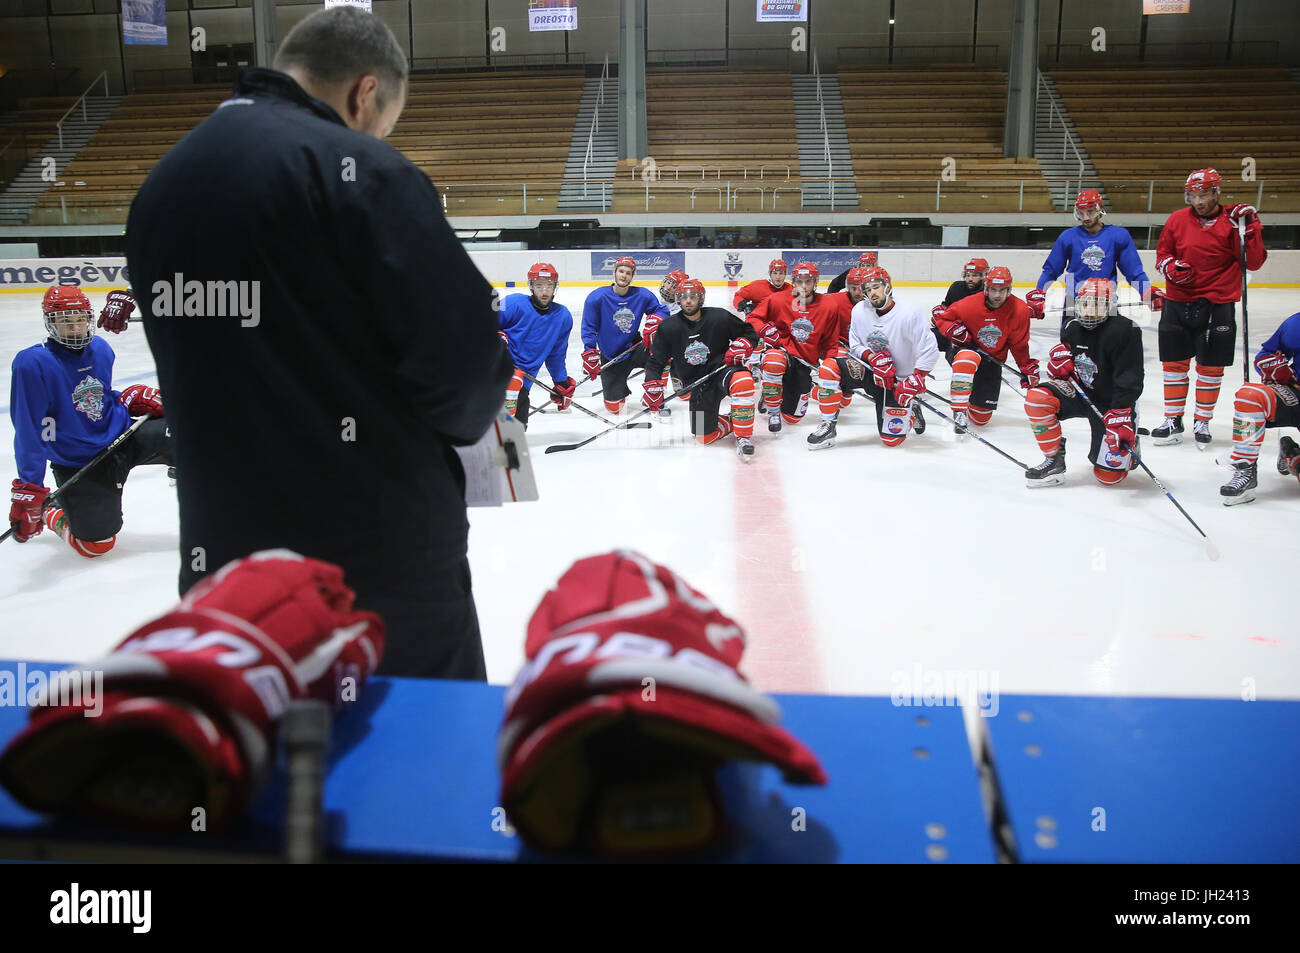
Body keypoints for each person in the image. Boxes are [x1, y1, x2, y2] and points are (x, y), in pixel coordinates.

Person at [125, 6, 513, 680]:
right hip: (377, 567)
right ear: (365, 93)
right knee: (410, 763)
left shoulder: (163, 183)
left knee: (263, 755)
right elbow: (467, 375)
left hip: (228, 567)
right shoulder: (364, 172)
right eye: (385, 120)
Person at [8, 286, 171, 557]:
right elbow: (28, 430)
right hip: (81, 460)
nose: (75, 328)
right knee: (95, 545)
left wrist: (126, 399)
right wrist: (30, 487)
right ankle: (53, 510)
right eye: (65, 322)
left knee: (194, 438)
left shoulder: (101, 349)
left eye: (80, 319)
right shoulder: (32, 363)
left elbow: (95, 398)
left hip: (124, 436)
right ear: (51, 324)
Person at [1148, 168, 1267, 450]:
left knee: (1210, 368)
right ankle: (1173, 420)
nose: (1199, 201)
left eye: (1204, 194)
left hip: (1217, 303)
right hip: (1178, 301)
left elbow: (1255, 262)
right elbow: (1162, 254)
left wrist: (1251, 229)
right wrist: (1170, 268)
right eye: (1194, 195)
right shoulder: (1177, 220)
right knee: (1174, 365)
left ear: (1217, 193)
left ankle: (1202, 420)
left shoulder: (1235, 220)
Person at [1022, 278, 1144, 488]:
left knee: (1108, 479)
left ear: (1110, 306)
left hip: (1112, 402)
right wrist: (1059, 366)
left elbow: (1130, 377)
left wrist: (1121, 412)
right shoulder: (1073, 327)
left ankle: (1132, 448)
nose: (1089, 309)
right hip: (1082, 391)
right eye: (1085, 303)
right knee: (1037, 398)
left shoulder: (1125, 330)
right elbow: (1066, 360)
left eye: (1097, 303)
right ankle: (1054, 461)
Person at [807, 266, 938, 451]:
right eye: (867, 289)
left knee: (891, 440)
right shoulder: (860, 310)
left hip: (897, 382)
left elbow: (930, 349)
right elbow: (855, 345)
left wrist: (916, 377)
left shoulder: (909, 313)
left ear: (887, 286)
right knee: (829, 368)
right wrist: (873, 358)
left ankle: (911, 410)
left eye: (876, 287)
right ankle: (828, 426)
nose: (872, 293)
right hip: (871, 372)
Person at [642, 279, 760, 459]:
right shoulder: (668, 327)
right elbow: (656, 362)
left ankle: (743, 437)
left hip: (722, 371)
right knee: (704, 436)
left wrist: (742, 343)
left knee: (743, 380)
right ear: (678, 300)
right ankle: (733, 419)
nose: (688, 301)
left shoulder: (719, 317)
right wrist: (652, 384)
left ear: (701, 299)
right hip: (697, 384)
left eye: (693, 297)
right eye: (683, 297)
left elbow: (749, 333)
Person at [931, 266, 1038, 437]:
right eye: (993, 289)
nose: (997, 295)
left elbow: (1019, 345)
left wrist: (1026, 367)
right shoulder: (969, 304)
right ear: (986, 288)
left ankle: (969, 393)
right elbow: (942, 319)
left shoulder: (1020, 310)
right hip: (965, 349)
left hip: (992, 360)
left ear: (1009, 290)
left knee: (981, 419)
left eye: (1002, 290)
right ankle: (959, 410)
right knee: (967, 358)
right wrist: (953, 330)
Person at [748, 261, 850, 434]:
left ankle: (776, 392)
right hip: (783, 353)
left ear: (815, 282)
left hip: (805, 362)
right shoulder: (778, 299)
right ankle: (773, 410)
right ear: (794, 281)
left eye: (808, 281)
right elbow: (752, 318)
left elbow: (830, 342)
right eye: (799, 281)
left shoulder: (828, 306)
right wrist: (765, 329)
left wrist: (831, 368)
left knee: (793, 418)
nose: (803, 286)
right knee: (774, 361)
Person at [1034, 189, 1161, 325]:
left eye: (1090, 212)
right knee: (1071, 345)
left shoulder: (1118, 236)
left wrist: (1147, 292)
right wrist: (1039, 294)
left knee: (1109, 345)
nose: (1086, 218)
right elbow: (1050, 271)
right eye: (1081, 213)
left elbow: (1134, 273)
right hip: (1074, 301)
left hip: (1106, 301)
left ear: (1101, 210)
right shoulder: (1068, 237)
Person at [1219, 313, 1300, 505]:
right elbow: (1265, 357)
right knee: (1251, 396)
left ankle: (1292, 455)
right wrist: (1277, 368)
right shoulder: (1297, 324)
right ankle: (1245, 467)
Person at [581, 256, 662, 415]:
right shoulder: (597, 297)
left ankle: (656, 392)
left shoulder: (642, 295)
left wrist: (655, 319)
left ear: (632, 276)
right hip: (611, 355)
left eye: (628, 273)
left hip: (635, 348)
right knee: (614, 408)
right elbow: (589, 327)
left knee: (661, 356)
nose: (624, 275)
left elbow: (659, 310)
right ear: (615, 272)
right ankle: (618, 390)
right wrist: (589, 350)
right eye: (621, 271)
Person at [499, 262, 576, 426]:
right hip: (498, 371)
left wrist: (560, 382)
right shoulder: (513, 304)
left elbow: (556, 354)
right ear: (531, 286)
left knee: (516, 430)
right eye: (539, 285)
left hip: (524, 380)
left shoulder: (562, 316)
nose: (544, 291)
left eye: (549, 286)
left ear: (555, 286)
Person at [932, 257, 990, 355]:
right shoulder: (957, 287)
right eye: (967, 275)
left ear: (984, 276)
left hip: (976, 340)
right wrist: (940, 315)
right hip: (953, 334)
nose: (970, 279)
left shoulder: (989, 295)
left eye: (974, 275)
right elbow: (946, 309)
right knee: (923, 338)